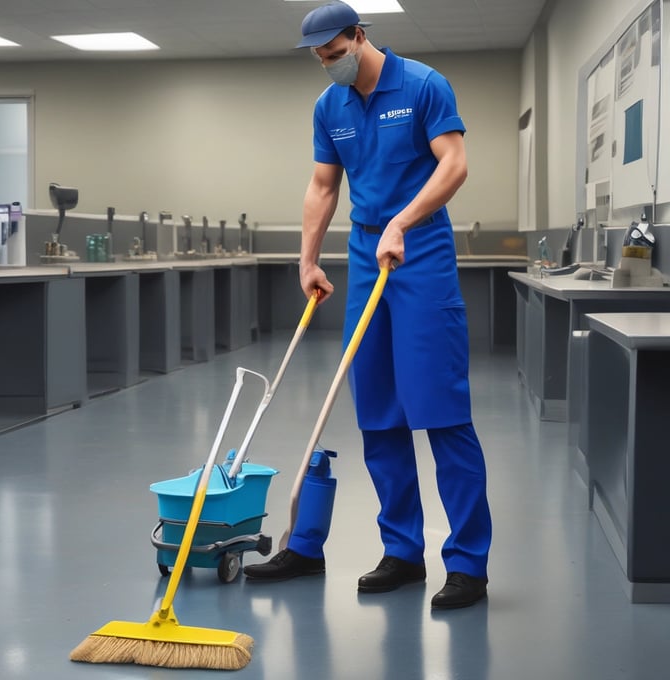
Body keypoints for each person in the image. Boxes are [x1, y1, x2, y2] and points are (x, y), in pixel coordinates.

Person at [244, 0, 492, 610]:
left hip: (421, 251)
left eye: (334, 53)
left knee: (441, 410)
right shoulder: (330, 107)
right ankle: (403, 553)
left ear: (358, 37)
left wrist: (404, 220)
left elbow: (454, 163)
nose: (328, 66)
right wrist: (307, 260)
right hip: (364, 254)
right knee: (377, 411)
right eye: (320, 59)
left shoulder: (425, 85)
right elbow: (324, 185)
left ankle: (467, 563)